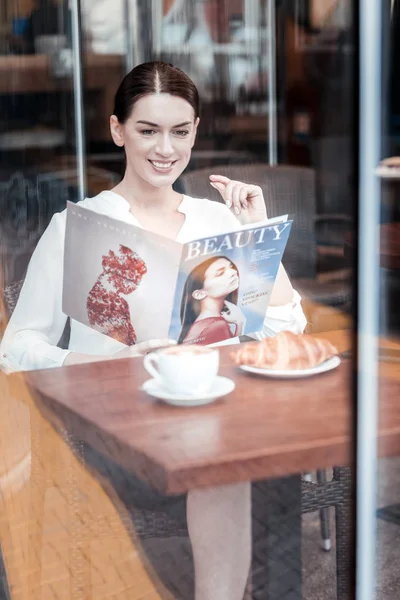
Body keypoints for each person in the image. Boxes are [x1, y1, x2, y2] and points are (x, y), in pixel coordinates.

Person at [0, 61, 307, 600]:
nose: (165, 148)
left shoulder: (215, 218)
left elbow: (287, 324)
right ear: (118, 131)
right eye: (148, 130)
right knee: (233, 461)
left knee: (241, 456)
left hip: (216, 416)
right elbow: (17, 349)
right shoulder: (77, 225)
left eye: (180, 131)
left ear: (194, 131)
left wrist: (255, 230)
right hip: (119, 432)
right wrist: (104, 362)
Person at [178, 256, 245, 345]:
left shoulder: (203, 323)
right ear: (199, 294)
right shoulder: (217, 326)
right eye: (220, 273)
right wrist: (241, 323)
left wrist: (240, 323)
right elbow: (231, 357)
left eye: (231, 267)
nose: (234, 272)